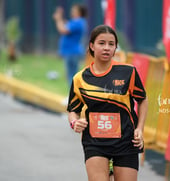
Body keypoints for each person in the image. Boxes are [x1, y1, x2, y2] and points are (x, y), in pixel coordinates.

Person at [67, 25, 148, 181]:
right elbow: (73, 110)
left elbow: (143, 100)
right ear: (92, 46)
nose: (107, 48)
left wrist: (140, 129)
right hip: (95, 142)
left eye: (111, 44)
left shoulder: (128, 72)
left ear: (116, 47)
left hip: (126, 140)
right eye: (101, 43)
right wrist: (74, 123)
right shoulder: (80, 78)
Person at [53, 4, 87, 86]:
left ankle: (74, 96)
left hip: (72, 52)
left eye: (74, 10)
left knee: (72, 77)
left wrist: (58, 19)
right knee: (70, 76)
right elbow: (65, 25)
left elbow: (62, 29)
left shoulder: (78, 22)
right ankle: (73, 96)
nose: (72, 11)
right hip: (71, 52)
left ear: (79, 12)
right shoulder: (76, 22)